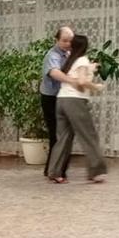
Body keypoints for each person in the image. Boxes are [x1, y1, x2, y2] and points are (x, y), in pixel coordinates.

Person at [46, 34, 108, 184]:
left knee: (63, 138)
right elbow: (81, 81)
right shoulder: (82, 60)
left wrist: (90, 68)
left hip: (61, 100)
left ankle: (55, 172)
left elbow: (78, 73)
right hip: (75, 101)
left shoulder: (70, 60)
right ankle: (96, 171)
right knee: (88, 135)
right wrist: (96, 87)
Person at [41, 26, 74, 178]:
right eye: (64, 41)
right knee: (56, 134)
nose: (68, 44)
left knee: (64, 134)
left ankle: (53, 168)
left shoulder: (69, 53)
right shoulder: (52, 55)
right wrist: (73, 81)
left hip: (63, 97)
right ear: (57, 40)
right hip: (51, 98)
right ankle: (54, 170)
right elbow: (54, 73)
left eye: (70, 41)